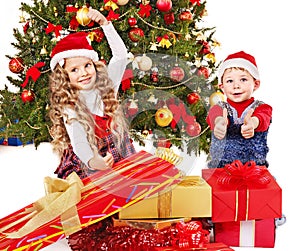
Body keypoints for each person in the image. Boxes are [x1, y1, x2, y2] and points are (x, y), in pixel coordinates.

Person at [49, 7, 135, 179]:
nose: (84, 73)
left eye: (87, 65)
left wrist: (106, 24)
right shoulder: (70, 105)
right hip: (88, 158)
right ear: (64, 76)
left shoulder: (106, 85)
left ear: (94, 65)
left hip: (118, 151)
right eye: (74, 70)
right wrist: (93, 161)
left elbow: (120, 57)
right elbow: (79, 143)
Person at [206, 51, 272, 168]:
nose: (236, 85)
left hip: (254, 169)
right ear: (222, 87)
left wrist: (252, 123)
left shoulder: (262, 107)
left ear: (256, 84)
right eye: (230, 81)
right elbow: (214, 115)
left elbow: (263, 118)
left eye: (243, 80)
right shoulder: (219, 108)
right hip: (221, 169)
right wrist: (219, 122)